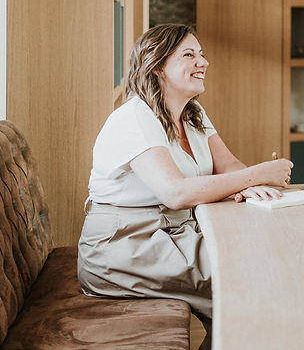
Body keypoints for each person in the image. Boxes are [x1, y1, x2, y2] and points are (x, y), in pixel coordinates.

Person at [77, 24, 293, 330]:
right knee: (249, 274)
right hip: (123, 247)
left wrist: (253, 182)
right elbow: (175, 193)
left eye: (202, 55)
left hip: (172, 235)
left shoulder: (193, 113)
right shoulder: (135, 117)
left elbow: (228, 164)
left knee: (260, 258)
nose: (203, 62)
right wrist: (257, 174)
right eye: (189, 55)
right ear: (156, 66)